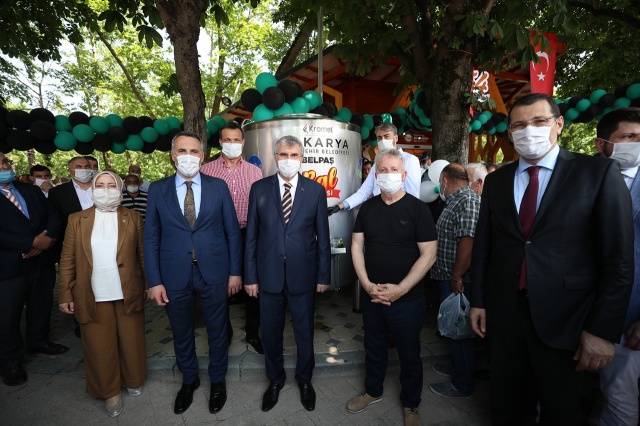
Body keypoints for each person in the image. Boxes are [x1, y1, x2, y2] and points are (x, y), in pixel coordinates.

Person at [469, 93, 634, 425]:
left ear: (558, 124)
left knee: (561, 411)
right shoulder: (497, 181)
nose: (528, 130)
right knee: (505, 406)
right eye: (519, 125)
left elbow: (617, 259)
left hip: (567, 319)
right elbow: (485, 245)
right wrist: (478, 301)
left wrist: (601, 330)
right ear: (510, 132)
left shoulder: (596, 173)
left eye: (538, 121)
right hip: (505, 314)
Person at [145, 131, 242, 415]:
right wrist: (154, 281)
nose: (188, 156)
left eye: (194, 151)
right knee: (181, 331)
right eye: (182, 151)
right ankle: (189, 380)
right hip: (173, 274)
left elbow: (232, 232)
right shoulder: (158, 190)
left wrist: (235, 273)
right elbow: (151, 237)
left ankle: (218, 380)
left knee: (218, 330)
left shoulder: (218, 187)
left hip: (215, 272)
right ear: (173, 155)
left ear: (202, 156)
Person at [346, 149, 437, 426]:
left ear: (404, 174)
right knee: (373, 347)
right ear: (375, 175)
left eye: (393, 170)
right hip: (373, 296)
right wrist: (366, 285)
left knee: (409, 353)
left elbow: (429, 254)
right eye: (382, 170)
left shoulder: (418, 209)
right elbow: (357, 246)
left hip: (407, 299)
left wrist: (401, 289)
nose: (388, 175)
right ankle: (372, 391)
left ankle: (411, 404)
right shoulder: (368, 208)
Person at [244, 135, 331, 413]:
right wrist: (250, 277)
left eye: (294, 155)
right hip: (268, 276)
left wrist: (323, 276)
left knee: (304, 332)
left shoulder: (315, 191)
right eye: (283, 155)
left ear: (301, 158)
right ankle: (275, 379)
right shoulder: (259, 189)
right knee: (270, 333)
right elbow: (251, 238)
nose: (288, 160)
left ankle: (305, 380)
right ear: (275, 157)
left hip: (303, 275)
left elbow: (323, 238)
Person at [58, 170, 147, 417]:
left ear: (119, 188)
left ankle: (133, 379)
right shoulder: (77, 219)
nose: (105, 189)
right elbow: (67, 259)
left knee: (131, 340)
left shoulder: (133, 217)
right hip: (92, 292)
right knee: (99, 345)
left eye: (111, 184)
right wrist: (65, 293)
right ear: (93, 188)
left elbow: (142, 254)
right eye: (100, 184)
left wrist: (149, 285)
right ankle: (109, 391)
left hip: (127, 289)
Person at [0, 152, 63, 387]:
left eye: (6, 161)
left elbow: (53, 215)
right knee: (8, 316)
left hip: (41, 261)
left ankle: (38, 341)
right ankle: (10, 362)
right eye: (1, 163)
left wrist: (46, 240)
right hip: (9, 267)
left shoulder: (30, 190)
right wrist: (30, 243)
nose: (6, 165)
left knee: (42, 304)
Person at [593, 107, 640, 425]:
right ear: (603, 144)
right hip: (573, 310)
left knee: (619, 398)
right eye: (629, 137)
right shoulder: (579, 177)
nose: (637, 144)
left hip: (629, 319)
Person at [200, 121, 264, 354]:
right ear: (220, 142)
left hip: (249, 234)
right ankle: (223, 333)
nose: (232, 144)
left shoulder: (255, 171)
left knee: (252, 285)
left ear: (243, 142)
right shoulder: (206, 170)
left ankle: (253, 332)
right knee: (219, 286)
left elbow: (261, 206)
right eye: (227, 140)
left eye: (236, 140)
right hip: (218, 235)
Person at [428, 163, 480, 398]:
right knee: (453, 328)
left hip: (459, 281)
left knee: (461, 333)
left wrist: (457, 275)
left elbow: (468, 242)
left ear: (445, 181)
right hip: (448, 278)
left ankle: (462, 384)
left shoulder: (466, 201)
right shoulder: (454, 201)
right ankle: (457, 368)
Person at [49, 156, 94, 338]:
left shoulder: (102, 187)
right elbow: (56, 221)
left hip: (104, 245)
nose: (84, 169)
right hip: (75, 249)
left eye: (86, 166)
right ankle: (82, 323)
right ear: (70, 170)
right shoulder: (58, 193)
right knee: (79, 286)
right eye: (79, 166)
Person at [334, 124, 421, 212]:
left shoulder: (409, 160)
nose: (383, 140)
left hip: (401, 211)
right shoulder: (377, 163)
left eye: (386, 136)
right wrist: (340, 206)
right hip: (379, 209)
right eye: (379, 138)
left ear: (396, 138)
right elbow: (364, 191)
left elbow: (413, 194)